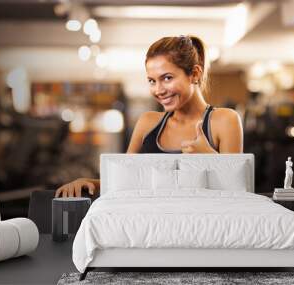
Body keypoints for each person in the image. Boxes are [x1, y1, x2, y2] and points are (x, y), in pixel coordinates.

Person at [55, 35, 243, 198]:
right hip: (153, 225)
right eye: (152, 81)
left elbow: (237, 192)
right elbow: (125, 180)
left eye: (167, 78)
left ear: (194, 74)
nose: (158, 90)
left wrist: (209, 157)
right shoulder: (148, 123)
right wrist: (88, 183)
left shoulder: (224, 120)